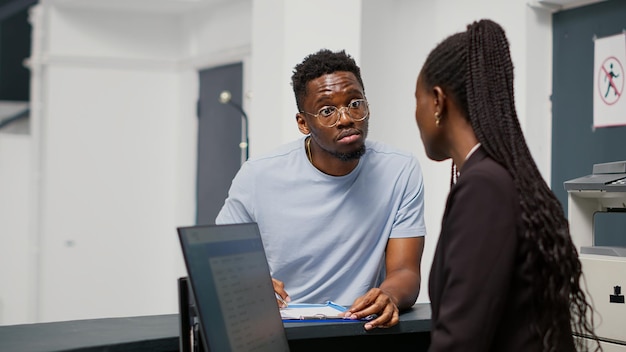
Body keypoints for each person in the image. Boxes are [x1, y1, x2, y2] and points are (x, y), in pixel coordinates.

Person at [413, 19, 600, 351]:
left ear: (438, 101)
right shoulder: (501, 175)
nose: (416, 115)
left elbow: (461, 339)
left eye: (418, 100)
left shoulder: (484, 187)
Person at [216, 49, 426, 330]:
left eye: (355, 103)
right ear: (303, 123)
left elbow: (405, 271)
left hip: (358, 330)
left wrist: (388, 295)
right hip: (280, 332)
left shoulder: (400, 170)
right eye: (327, 110)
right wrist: (249, 285)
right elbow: (220, 268)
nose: (346, 118)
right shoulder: (258, 175)